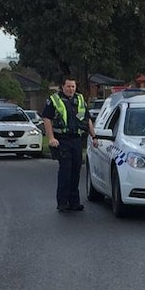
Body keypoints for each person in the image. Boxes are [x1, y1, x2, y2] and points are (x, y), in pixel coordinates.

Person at [42, 76, 98, 212]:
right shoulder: (54, 100)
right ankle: (62, 202)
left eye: (73, 86)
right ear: (62, 86)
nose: (71, 89)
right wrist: (51, 138)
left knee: (76, 171)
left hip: (76, 140)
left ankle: (74, 202)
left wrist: (94, 136)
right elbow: (47, 119)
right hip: (62, 140)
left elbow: (87, 119)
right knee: (65, 171)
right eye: (68, 86)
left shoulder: (79, 99)